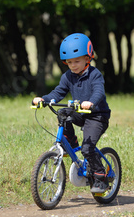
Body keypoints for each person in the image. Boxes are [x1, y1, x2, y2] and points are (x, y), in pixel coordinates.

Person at [32, 33, 111, 193]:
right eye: (69, 62)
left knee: (88, 148)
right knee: (63, 112)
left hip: (97, 116)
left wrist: (91, 102)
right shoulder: (68, 76)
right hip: (80, 113)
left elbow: (99, 92)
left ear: (88, 59)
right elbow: (58, 92)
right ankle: (70, 143)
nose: (73, 65)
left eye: (77, 61)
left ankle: (101, 177)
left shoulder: (95, 75)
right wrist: (44, 99)